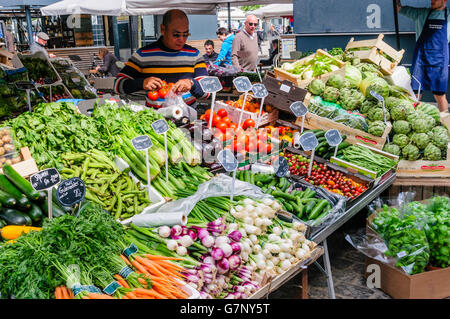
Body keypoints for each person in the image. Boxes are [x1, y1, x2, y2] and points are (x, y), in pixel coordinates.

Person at [115, 9, 208, 108]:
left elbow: (207, 91)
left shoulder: (195, 55)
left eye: (185, 34)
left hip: (188, 118)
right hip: (154, 119)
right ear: (163, 29)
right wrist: (142, 83)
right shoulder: (143, 55)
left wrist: (191, 83)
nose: (181, 39)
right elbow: (118, 85)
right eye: (176, 34)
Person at [397, 0, 450, 112]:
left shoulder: (449, 16)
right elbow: (398, 8)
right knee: (414, 94)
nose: (432, 1)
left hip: (440, 62)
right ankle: (411, 121)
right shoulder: (421, 13)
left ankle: (445, 124)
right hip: (421, 60)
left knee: (440, 95)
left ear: (444, 0)